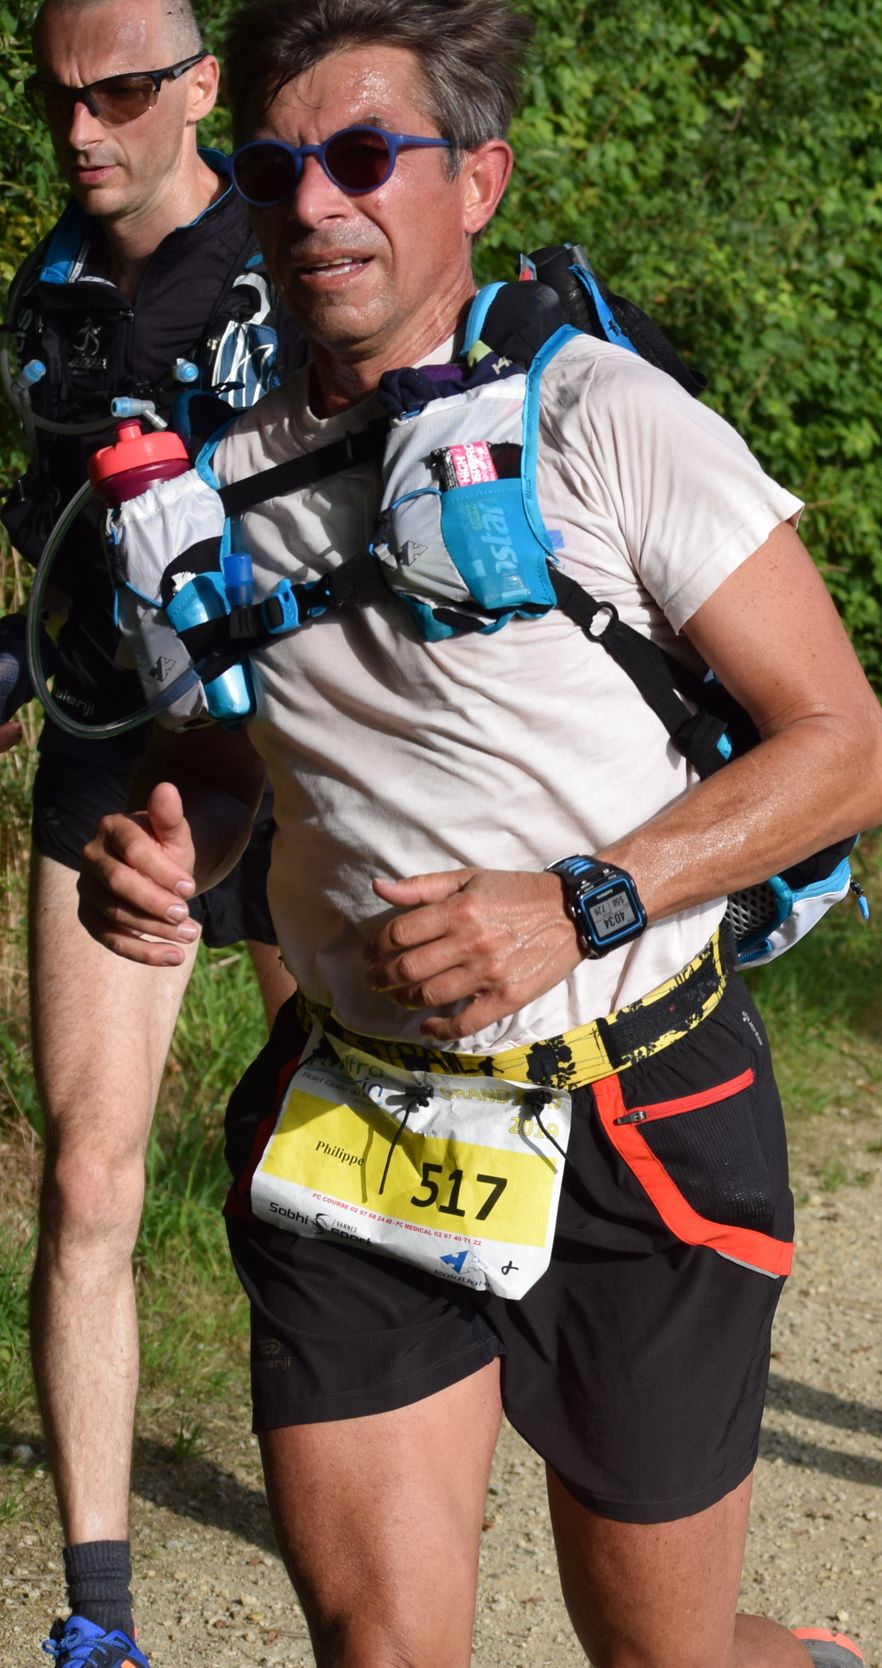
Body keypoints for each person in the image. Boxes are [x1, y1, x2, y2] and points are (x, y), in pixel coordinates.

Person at [74, 0, 882, 1663]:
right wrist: (177, 849)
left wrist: (582, 902)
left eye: (364, 157)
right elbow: (223, 759)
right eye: (275, 170)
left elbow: (849, 753)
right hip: (365, 1113)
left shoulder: (603, 416)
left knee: (660, 1654)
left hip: (636, 1101)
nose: (316, 204)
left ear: (479, 181)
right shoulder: (214, 476)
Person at [2, 2, 296, 1661]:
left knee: (326, 1159)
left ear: (197, 86)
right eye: (54, 96)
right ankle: (97, 1611)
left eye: (118, 92)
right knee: (91, 1174)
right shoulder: (47, 288)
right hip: (117, 763)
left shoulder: (295, 247)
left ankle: (371, 1473)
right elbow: (55, 533)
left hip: (309, 765)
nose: (80, 128)